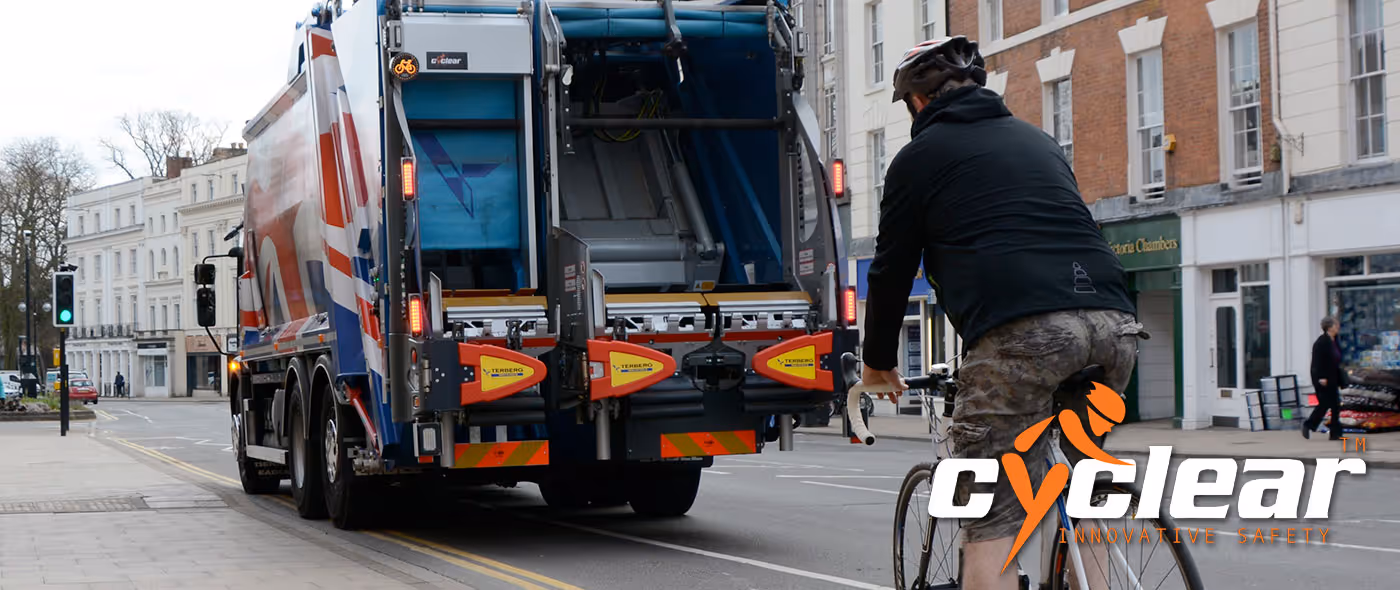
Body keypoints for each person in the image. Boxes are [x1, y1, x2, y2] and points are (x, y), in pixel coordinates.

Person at [859, 36, 1145, 590]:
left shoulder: (917, 159)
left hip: (1022, 333)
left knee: (990, 520)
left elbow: (891, 270)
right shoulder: (1039, 141)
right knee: (1081, 492)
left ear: (917, 102)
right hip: (1113, 323)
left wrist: (876, 364)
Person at [1304, 316, 1345, 440]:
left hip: (1333, 377)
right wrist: (1320, 377)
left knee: (1336, 405)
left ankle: (1335, 433)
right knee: (1325, 404)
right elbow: (1317, 362)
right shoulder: (1321, 342)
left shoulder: (1335, 340)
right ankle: (1309, 425)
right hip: (1323, 379)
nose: (1338, 327)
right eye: (1335, 325)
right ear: (1329, 327)